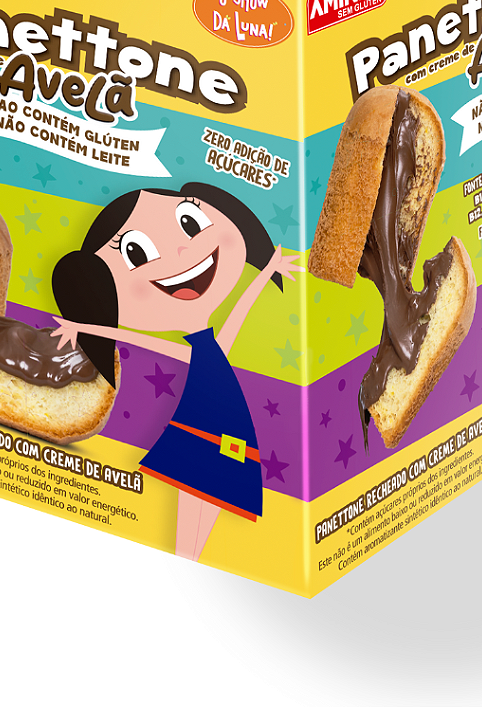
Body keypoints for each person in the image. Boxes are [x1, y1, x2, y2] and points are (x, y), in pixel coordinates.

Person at [51, 183, 302, 560]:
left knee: (216, 487)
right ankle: (189, 555)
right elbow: (153, 343)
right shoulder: (201, 350)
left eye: (190, 222)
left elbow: (237, 316)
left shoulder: (210, 348)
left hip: (224, 425)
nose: (182, 252)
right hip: (205, 423)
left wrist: (267, 272)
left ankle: (192, 556)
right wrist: (88, 329)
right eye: (136, 252)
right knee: (196, 487)